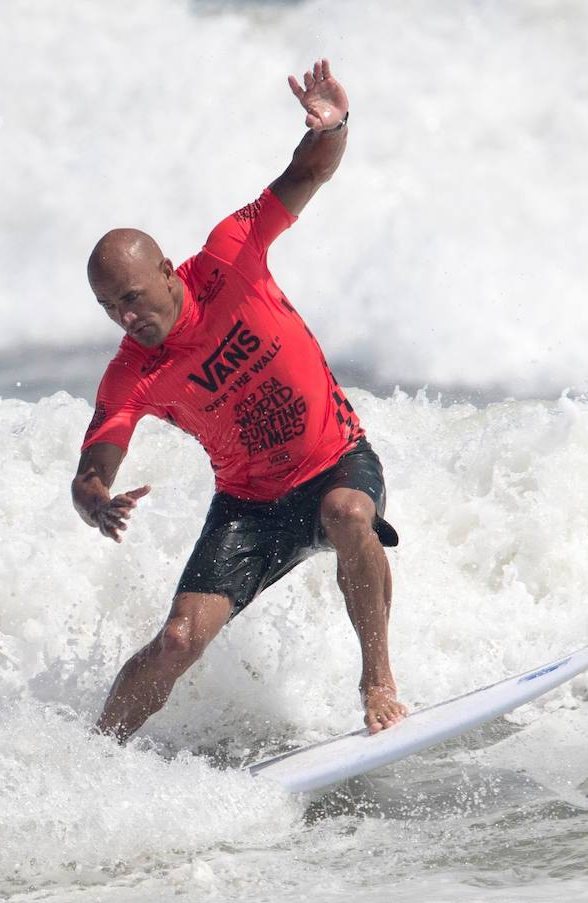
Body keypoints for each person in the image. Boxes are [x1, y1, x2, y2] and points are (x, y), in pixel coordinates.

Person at [71, 59, 407, 743]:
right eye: (109, 308)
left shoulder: (230, 256)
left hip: (336, 459)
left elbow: (307, 173)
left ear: (167, 272)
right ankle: (91, 756)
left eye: (131, 298)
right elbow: (97, 456)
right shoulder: (131, 374)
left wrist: (332, 125)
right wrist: (94, 496)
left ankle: (378, 682)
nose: (124, 318)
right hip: (250, 506)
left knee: (347, 514)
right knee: (176, 642)